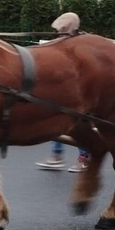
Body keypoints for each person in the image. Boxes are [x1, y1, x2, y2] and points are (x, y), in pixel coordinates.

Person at [36, 11, 89, 172]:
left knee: (80, 125)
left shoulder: (80, 46)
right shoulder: (61, 44)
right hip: (63, 92)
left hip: (78, 94)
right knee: (56, 122)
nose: (58, 34)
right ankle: (57, 155)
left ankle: (83, 158)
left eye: (62, 30)